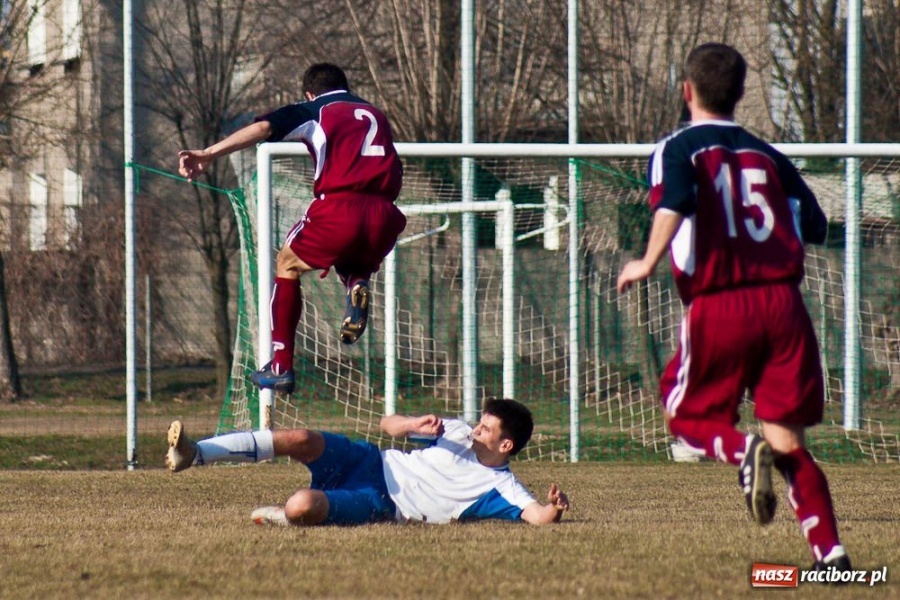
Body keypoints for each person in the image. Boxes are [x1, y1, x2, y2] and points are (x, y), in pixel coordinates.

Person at [616, 43, 850, 572]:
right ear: (741, 94)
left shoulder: (677, 148)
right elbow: (814, 223)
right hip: (786, 307)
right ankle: (832, 556)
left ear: (686, 90)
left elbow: (675, 201)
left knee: (685, 417)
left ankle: (742, 453)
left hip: (723, 300)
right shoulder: (769, 155)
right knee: (789, 442)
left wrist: (647, 261)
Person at [178, 63, 406, 394]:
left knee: (286, 263)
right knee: (352, 256)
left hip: (340, 207)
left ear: (310, 93)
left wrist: (209, 153)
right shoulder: (376, 114)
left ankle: (281, 366)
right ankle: (356, 281)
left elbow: (263, 128)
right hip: (385, 215)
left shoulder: (316, 109)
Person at [165, 398, 570, 527]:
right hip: (371, 459)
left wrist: (554, 507)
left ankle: (280, 516)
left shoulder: (502, 486)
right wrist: (411, 423)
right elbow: (386, 424)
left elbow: (535, 516)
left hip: (380, 501)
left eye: (486, 429)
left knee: (301, 506)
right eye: (479, 423)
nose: (476, 430)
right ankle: (196, 453)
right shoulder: (456, 430)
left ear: (506, 446)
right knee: (301, 438)